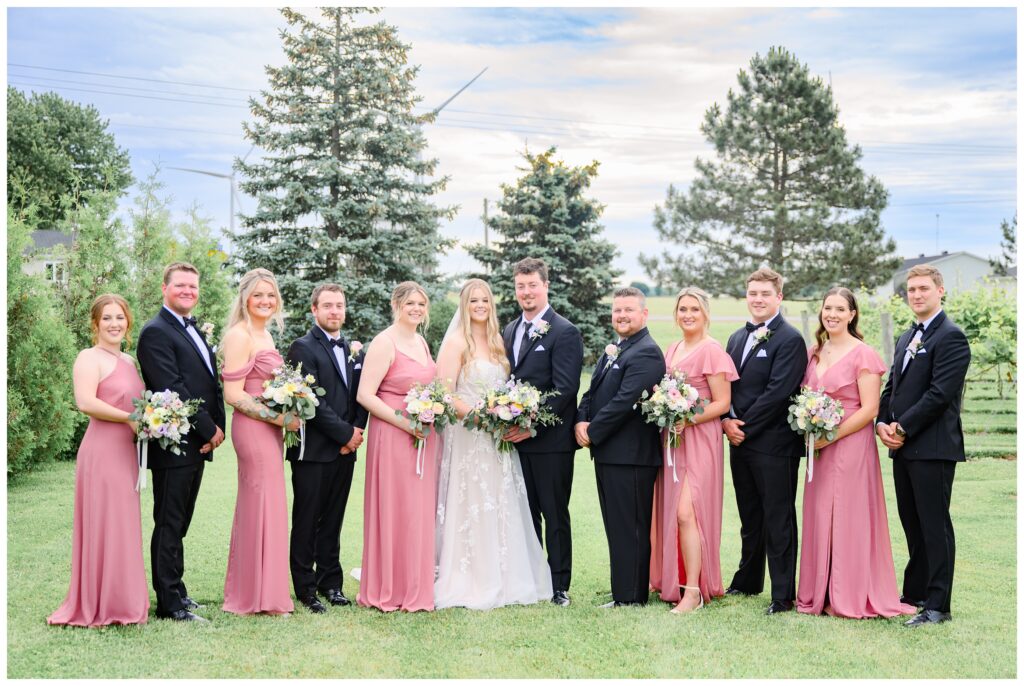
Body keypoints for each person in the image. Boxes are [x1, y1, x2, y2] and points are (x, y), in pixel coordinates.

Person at [796, 287, 917, 619]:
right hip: (818, 447)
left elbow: (870, 409)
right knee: (820, 514)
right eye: (827, 308)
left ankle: (848, 593)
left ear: (852, 314)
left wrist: (831, 435)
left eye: (839, 309)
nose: (832, 314)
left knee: (847, 515)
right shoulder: (814, 352)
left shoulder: (864, 354)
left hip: (849, 444)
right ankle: (819, 592)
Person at [434, 279, 553, 610]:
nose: (480, 305)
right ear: (464, 305)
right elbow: (445, 392)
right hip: (469, 435)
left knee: (500, 500)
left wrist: (507, 415)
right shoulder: (457, 342)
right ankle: (470, 577)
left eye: (485, 299)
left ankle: (504, 575)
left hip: (499, 439)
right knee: (472, 499)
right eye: (473, 301)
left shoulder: (498, 342)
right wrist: (480, 417)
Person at [877, 264, 971, 627]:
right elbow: (893, 387)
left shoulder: (951, 337)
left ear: (940, 291)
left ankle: (938, 605)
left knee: (934, 526)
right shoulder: (906, 337)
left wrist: (904, 425)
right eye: (911, 290)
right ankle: (914, 593)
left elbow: (939, 394)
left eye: (923, 289)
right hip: (902, 446)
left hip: (932, 447)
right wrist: (882, 422)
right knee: (912, 524)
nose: (916, 295)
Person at [49, 295, 150, 627]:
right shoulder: (88, 357)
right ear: (95, 324)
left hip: (127, 452)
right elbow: (85, 402)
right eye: (107, 318)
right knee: (105, 524)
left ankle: (123, 600)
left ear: (128, 322)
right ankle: (99, 603)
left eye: (119, 317)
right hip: (102, 452)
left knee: (123, 525)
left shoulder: (130, 361)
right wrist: (130, 418)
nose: (114, 324)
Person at [137, 262, 226, 622]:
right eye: (181, 286)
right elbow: (172, 385)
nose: (188, 291)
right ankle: (169, 604)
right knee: (170, 521)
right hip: (175, 442)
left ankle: (179, 590)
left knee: (182, 521)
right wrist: (208, 428)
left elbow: (209, 383)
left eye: (193, 286)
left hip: (197, 441)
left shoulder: (191, 329)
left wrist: (217, 428)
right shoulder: (156, 332)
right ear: (164, 288)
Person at [721, 267, 807, 615]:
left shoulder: (790, 339)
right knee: (750, 515)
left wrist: (743, 425)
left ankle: (782, 594)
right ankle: (747, 580)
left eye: (765, 294)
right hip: (739, 441)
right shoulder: (736, 339)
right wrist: (727, 420)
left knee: (778, 516)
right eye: (753, 293)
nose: (758, 299)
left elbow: (778, 393)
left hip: (773, 444)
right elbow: (726, 387)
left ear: (779, 298)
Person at [500, 257, 584, 607]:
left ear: (545, 286)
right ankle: (532, 577)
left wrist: (528, 426)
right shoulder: (508, 330)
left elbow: (565, 390)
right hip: (513, 442)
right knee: (524, 511)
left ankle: (559, 584)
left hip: (550, 442)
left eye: (532, 285)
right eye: (521, 286)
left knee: (554, 511)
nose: (526, 292)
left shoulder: (564, 331)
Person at [649, 287, 737, 614]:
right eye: (683, 309)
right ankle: (672, 580)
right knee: (673, 512)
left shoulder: (712, 351)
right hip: (674, 440)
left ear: (705, 314)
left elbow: (723, 402)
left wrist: (688, 417)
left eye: (694, 310)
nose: (688, 315)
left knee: (689, 512)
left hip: (700, 439)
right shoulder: (673, 348)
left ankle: (694, 592)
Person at [575, 287, 665, 607]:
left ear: (644, 314)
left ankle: (631, 597)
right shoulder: (617, 348)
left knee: (632, 528)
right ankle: (621, 591)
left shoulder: (647, 352)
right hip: (610, 453)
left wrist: (592, 431)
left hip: (632, 456)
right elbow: (593, 390)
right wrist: (580, 420)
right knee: (617, 526)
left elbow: (624, 402)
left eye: (628, 310)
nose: (622, 316)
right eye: (617, 310)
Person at [355, 281, 439, 612]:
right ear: (396, 305)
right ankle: (387, 588)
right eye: (410, 304)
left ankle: (415, 588)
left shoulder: (421, 341)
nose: (416, 309)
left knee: (417, 512)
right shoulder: (384, 342)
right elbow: (365, 395)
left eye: (421, 304)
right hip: (392, 435)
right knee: (394, 508)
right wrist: (405, 423)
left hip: (422, 438)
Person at [285, 283, 368, 614]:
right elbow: (311, 401)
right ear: (314, 310)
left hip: (346, 448)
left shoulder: (352, 349)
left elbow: (359, 394)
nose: (335, 311)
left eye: (340, 306)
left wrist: (357, 430)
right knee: (308, 519)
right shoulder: (302, 347)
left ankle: (331, 583)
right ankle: (305, 588)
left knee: (333, 519)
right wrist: (344, 434)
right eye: (329, 306)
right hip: (314, 449)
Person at [219, 268, 297, 616]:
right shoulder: (240, 335)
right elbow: (233, 394)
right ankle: (253, 595)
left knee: (270, 504)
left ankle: (265, 589)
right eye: (258, 295)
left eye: (271, 295)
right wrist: (279, 418)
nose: (265, 301)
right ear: (245, 299)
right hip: (252, 429)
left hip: (271, 428)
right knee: (261, 503)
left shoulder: (266, 335)